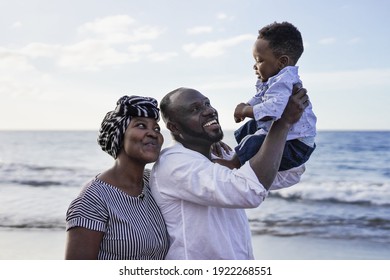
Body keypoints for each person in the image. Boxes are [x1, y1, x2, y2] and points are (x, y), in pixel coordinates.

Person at [150, 86, 309, 259]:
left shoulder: (220, 155)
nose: (209, 111)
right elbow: (249, 191)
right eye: (195, 109)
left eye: (207, 103)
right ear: (174, 127)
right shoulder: (175, 163)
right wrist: (282, 123)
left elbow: (289, 175)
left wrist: (295, 127)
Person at [65, 95, 169, 260]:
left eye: (156, 128)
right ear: (119, 136)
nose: (153, 133)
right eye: (141, 125)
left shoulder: (154, 183)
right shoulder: (93, 199)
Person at [229, 21, 317, 170]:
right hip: (289, 139)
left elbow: (272, 110)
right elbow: (260, 97)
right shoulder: (274, 79)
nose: (254, 66)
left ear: (282, 62)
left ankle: (234, 163)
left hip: (295, 147)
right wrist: (247, 106)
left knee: (255, 139)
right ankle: (239, 153)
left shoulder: (284, 81)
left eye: (259, 60)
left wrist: (245, 111)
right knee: (251, 126)